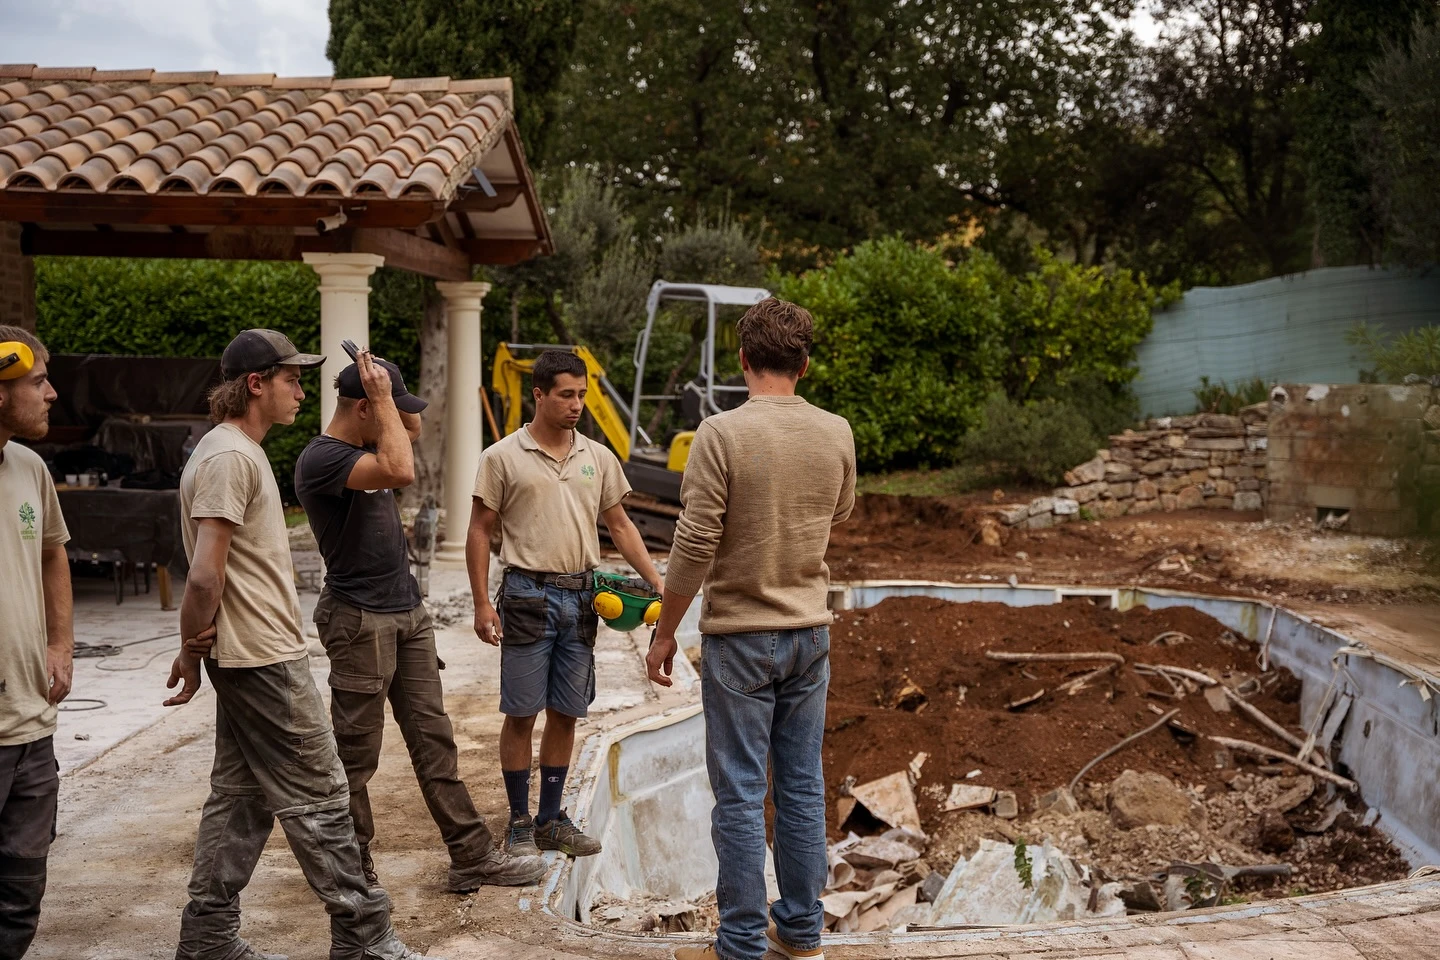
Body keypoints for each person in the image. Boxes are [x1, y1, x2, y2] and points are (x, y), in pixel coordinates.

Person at [165, 329, 435, 960]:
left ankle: (207, 939)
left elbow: (405, 445)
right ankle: (365, 938)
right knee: (323, 797)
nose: (299, 391)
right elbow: (206, 572)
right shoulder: (230, 457)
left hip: (252, 653)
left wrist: (384, 397)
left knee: (242, 798)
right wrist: (187, 646)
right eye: (289, 379)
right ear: (255, 385)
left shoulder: (234, 451)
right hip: (262, 657)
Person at [645, 299, 856, 960]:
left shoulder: (721, 434)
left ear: (742, 362)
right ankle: (801, 934)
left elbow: (695, 543)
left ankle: (740, 943)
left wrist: (663, 636)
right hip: (810, 633)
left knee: (738, 794)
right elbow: (839, 511)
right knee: (801, 785)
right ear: (805, 364)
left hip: (740, 637)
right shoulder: (837, 432)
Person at [294, 350, 546, 892]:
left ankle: (471, 855)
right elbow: (402, 466)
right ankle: (353, 868)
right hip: (359, 620)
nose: (401, 418)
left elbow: (411, 428)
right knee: (356, 755)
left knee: (435, 740)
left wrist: (387, 392)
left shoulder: (371, 436)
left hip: (406, 613)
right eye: (384, 405)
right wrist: (384, 397)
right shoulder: (324, 458)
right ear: (363, 407)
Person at [465, 350, 663, 859]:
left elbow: (620, 525)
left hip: (582, 598)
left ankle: (552, 819)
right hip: (527, 595)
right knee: (520, 711)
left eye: (582, 395)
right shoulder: (501, 457)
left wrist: (657, 582)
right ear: (539, 394)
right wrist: (482, 603)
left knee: (567, 712)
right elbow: (480, 531)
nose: (577, 404)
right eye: (566, 395)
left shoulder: (597, 456)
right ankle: (518, 820)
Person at [0, 326, 72, 959]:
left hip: (31, 719)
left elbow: (53, 552)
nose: (52, 393)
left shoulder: (29, 468)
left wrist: (61, 644)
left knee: (22, 888)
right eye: (36, 382)